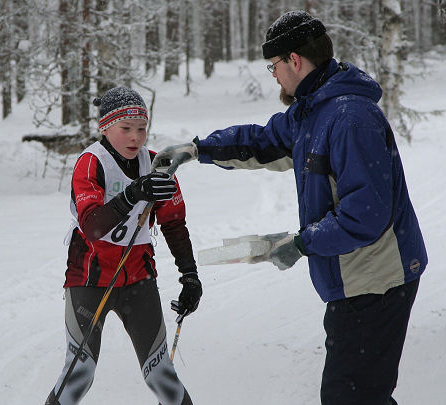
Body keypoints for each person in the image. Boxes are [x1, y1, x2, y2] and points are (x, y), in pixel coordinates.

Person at [155, 10, 427, 405]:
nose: (275, 75)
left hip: (377, 281)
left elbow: (365, 214)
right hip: (354, 279)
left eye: (275, 66)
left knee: (351, 397)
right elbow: (264, 141)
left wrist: (302, 243)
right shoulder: (313, 111)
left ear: (294, 60)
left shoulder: (350, 117)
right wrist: (198, 149)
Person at [45, 86, 201, 405]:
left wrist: (190, 276)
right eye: (126, 129)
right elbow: (93, 226)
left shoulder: (158, 163)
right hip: (90, 280)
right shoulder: (91, 162)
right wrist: (132, 195)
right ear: (105, 127)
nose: (135, 138)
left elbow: (173, 223)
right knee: (79, 376)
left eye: (142, 129)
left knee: (162, 377)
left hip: (139, 282)